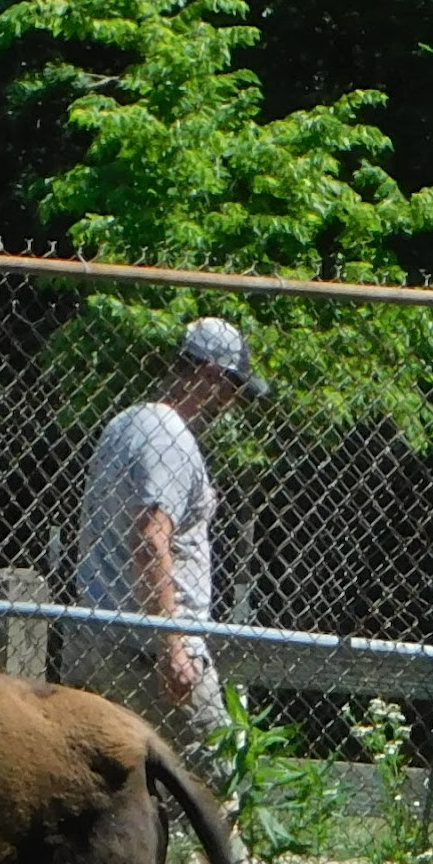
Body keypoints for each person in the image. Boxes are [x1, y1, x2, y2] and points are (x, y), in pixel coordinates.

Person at [66, 315, 264, 747]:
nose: (231, 401)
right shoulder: (169, 436)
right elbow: (150, 539)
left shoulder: (125, 422)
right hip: (145, 654)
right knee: (215, 786)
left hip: (99, 636)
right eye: (231, 387)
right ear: (210, 374)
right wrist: (172, 647)